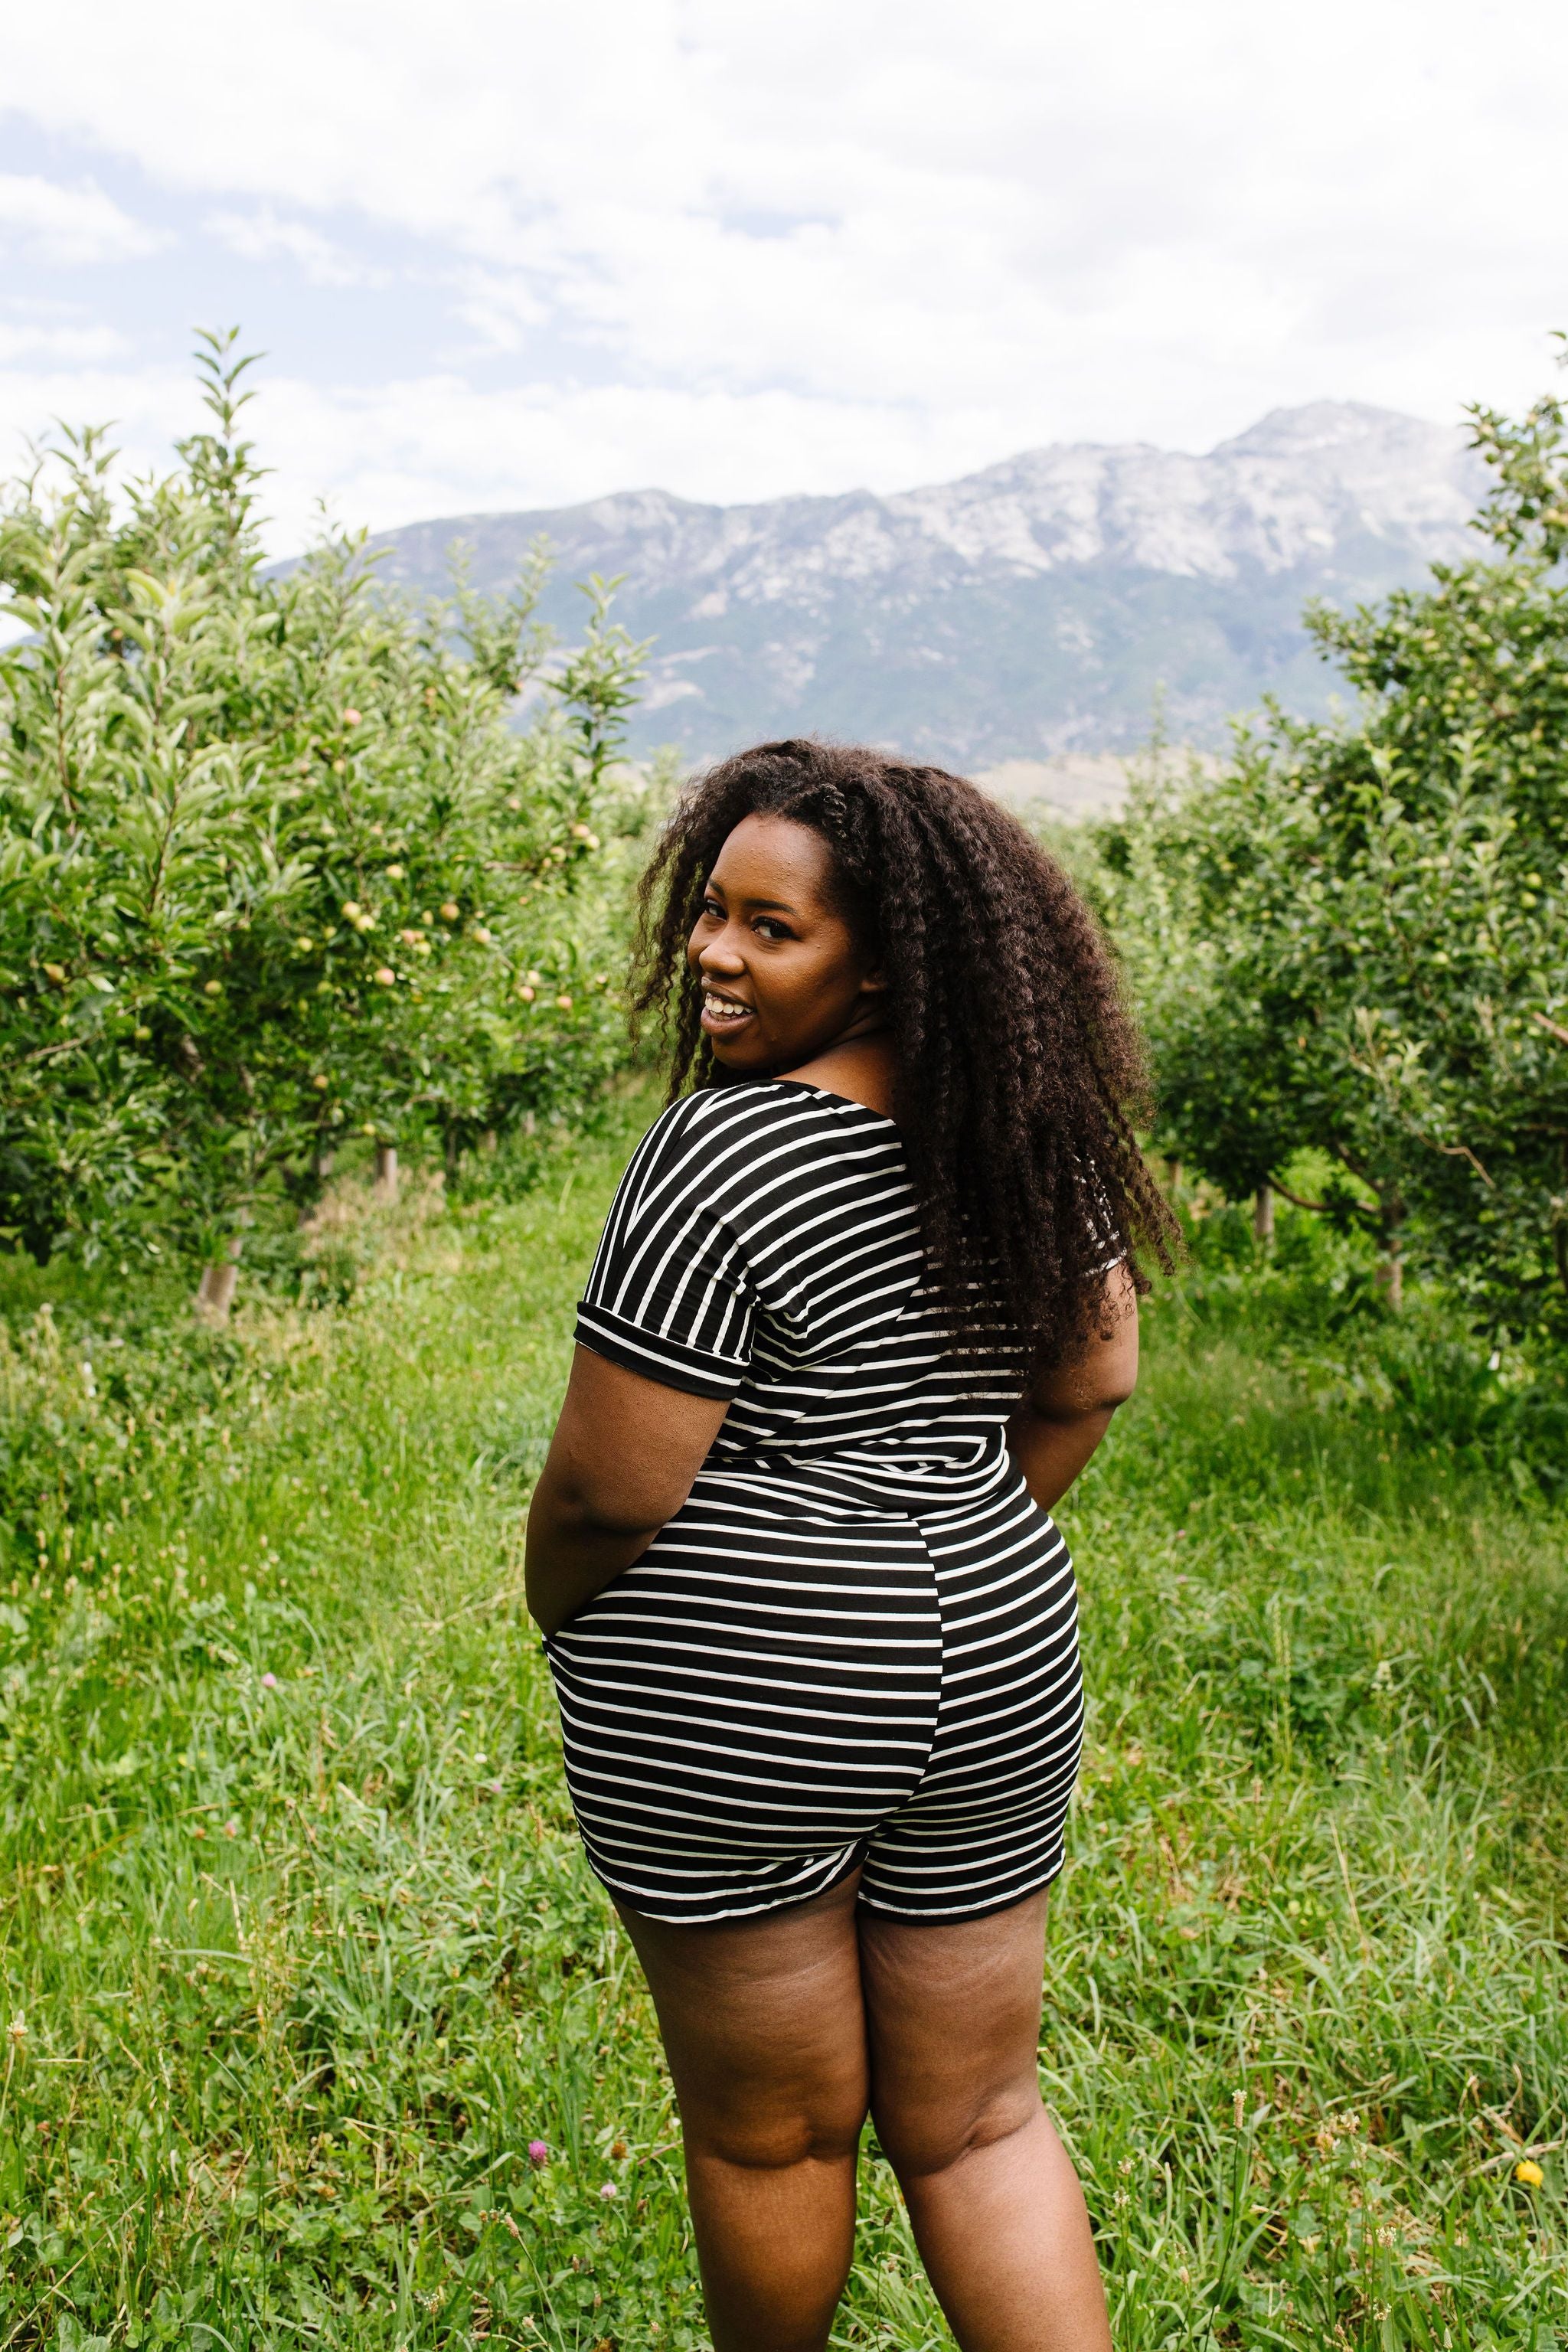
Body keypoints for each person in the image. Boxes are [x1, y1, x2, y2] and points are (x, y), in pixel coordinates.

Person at [526, 739, 1173, 2352]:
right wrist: (945, 1539)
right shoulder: (1030, 1133)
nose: (712, 954)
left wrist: (563, 1610)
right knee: (980, 2121)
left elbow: (615, 1489)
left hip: (751, 1693)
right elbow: (1091, 1378)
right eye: (711, 912)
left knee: (774, 2130)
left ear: (885, 956)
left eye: (770, 927)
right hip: (1003, 1662)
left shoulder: (727, 1152)